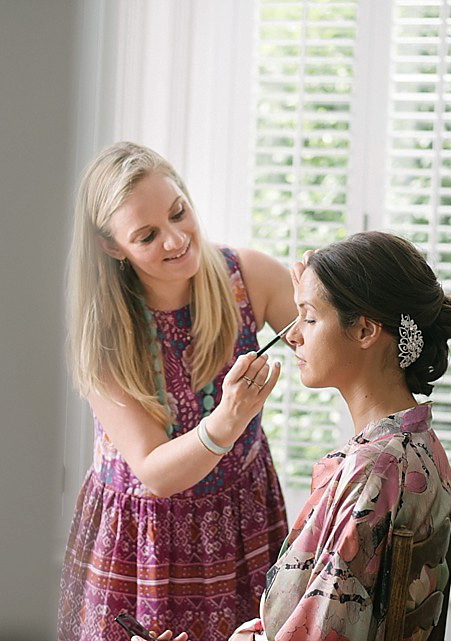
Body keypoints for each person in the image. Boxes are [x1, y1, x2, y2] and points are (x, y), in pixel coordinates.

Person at [57, 141, 297, 641]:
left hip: (241, 524)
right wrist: (228, 420)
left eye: (178, 212)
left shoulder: (248, 277)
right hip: (140, 546)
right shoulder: (103, 332)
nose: (175, 239)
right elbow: (156, 473)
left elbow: (329, 340)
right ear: (110, 246)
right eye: (147, 235)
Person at [208, 231, 451, 641]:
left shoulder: (373, 470)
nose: (293, 335)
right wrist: (318, 288)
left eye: (308, 318)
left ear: (365, 331)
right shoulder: (421, 448)